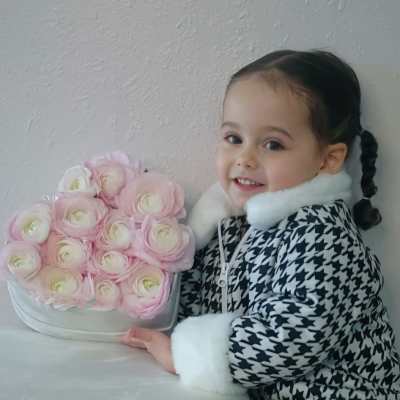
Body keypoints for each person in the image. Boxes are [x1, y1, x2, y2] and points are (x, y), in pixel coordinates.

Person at [121, 49, 400, 399]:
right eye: (234, 139)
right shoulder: (229, 225)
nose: (245, 158)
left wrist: (184, 356)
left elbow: (294, 336)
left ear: (328, 159)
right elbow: (201, 304)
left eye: (273, 144)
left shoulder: (322, 234)